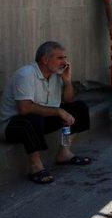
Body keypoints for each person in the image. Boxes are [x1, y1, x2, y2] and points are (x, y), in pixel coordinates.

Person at [0, 41, 92, 184]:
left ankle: (64, 153)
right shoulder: (26, 75)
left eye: (65, 58)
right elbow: (24, 108)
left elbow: (68, 100)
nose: (64, 62)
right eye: (60, 58)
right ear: (45, 59)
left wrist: (67, 81)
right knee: (32, 118)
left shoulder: (57, 74)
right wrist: (58, 111)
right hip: (13, 126)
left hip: (41, 120)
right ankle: (35, 166)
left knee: (78, 108)